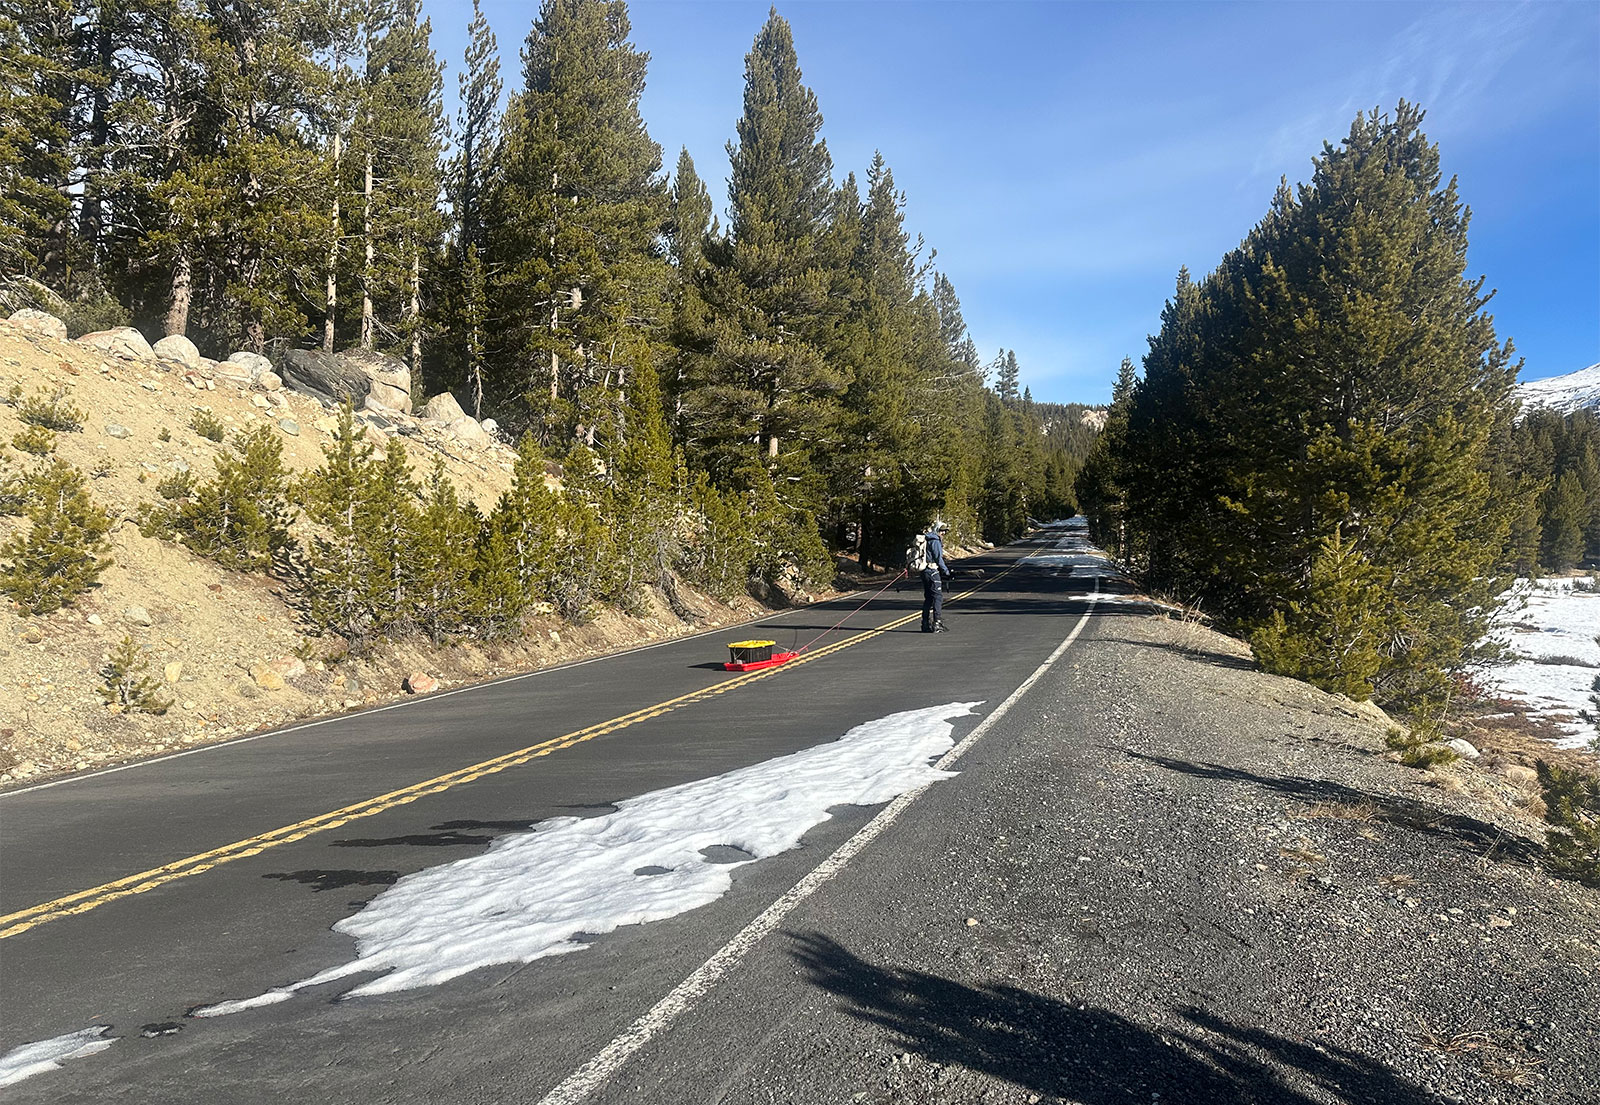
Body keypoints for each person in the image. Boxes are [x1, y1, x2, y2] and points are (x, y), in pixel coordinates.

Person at [921, 520, 952, 633]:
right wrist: (946, 571)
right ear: (937, 530)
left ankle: (925, 623)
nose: (943, 533)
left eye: (944, 531)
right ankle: (937, 623)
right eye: (942, 530)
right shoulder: (935, 541)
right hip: (932, 571)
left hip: (925, 571)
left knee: (929, 597)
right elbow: (938, 558)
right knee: (938, 597)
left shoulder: (928, 538)